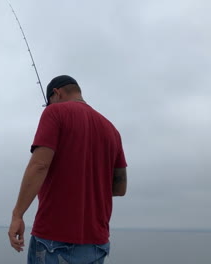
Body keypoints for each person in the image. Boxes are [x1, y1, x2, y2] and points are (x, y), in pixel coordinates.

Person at [8, 75, 127, 264]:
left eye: (49, 103)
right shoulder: (112, 130)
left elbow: (40, 165)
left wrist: (17, 215)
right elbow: (120, 189)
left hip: (53, 240)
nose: (49, 107)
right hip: (97, 243)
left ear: (56, 93)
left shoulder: (54, 112)